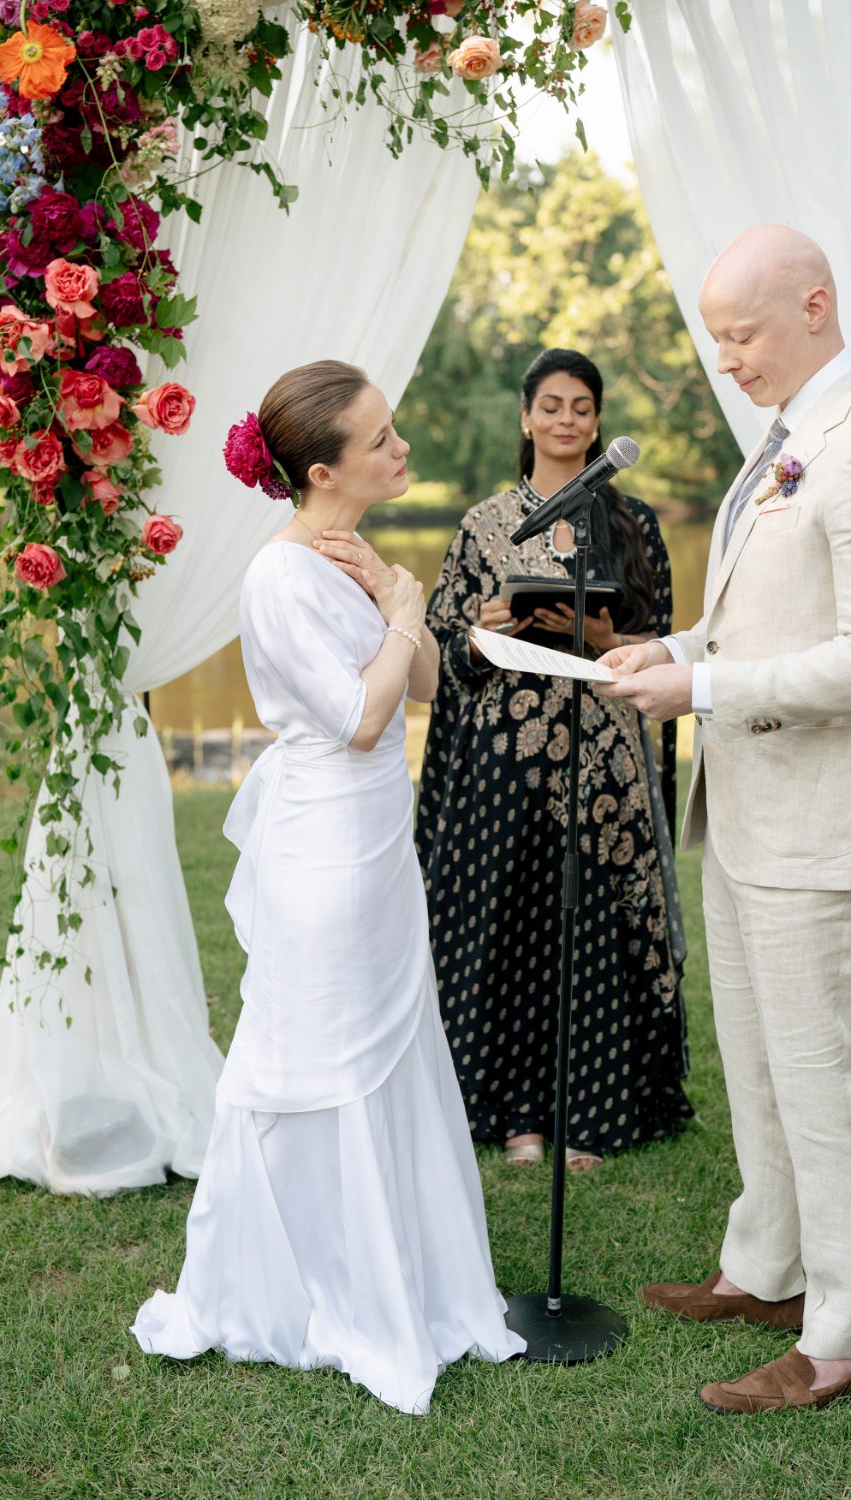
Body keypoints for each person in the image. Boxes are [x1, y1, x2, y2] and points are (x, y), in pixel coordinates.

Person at [131, 360, 524, 1414]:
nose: (402, 447)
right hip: (323, 852)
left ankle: (406, 1272)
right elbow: (359, 719)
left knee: (390, 1048)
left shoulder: (352, 556)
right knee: (316, 1057)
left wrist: (397, 599)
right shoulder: (278, 577)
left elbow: (424, 682)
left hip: (378, 844)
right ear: (322, 470)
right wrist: (403, 610)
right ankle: (299, 1286)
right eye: (381, 437)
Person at [600, 224, 851, 1415]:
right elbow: (764, 618)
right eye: (717, 337)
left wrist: (702, 688)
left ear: (814, 306)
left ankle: (837, 1333)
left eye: (740, 333)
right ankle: (766, 1268)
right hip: (744, 814)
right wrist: (676, 647)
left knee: (821, 1083)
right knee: (754, 1060)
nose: (726, 358)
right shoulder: (782, 438)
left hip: (816, 829)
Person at [415, 347, 692, 1172]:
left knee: (590, 927)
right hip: (505, 758)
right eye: (552, 405)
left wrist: (604, 636)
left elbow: (664, 641)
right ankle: (514, 1118)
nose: (567, 419)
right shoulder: (484, 524)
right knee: (509, 927)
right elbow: (439, 653)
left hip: (602, 759)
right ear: (526, 417)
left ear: (598, 422)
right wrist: (483, 633)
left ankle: (591, 1112)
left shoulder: (632, 524)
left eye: (582, 407)